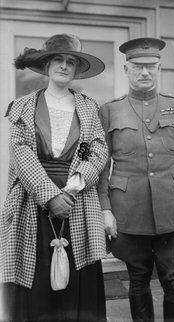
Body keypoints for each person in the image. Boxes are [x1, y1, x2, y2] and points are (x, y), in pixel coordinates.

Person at [0, 33, 108, 322]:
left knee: (78, 276)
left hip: (77, 199)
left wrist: (71, 190)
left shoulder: (88, 107)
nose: (63, 66)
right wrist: (50, 196)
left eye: (70, 61)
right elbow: (20, 151)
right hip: (32, 200)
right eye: (58, 59)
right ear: (47, 65)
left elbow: (95, 149)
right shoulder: (23, 106)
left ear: (77, 69)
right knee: (33, 275)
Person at [98, 37, 174, 322]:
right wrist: (105, 209)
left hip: (173, 209)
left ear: (159, 68)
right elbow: (101, 166)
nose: (145, 72)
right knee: (137, 280)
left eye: (151, 66)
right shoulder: (109, 110)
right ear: (126, 69)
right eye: (138, 66)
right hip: (129, 212)